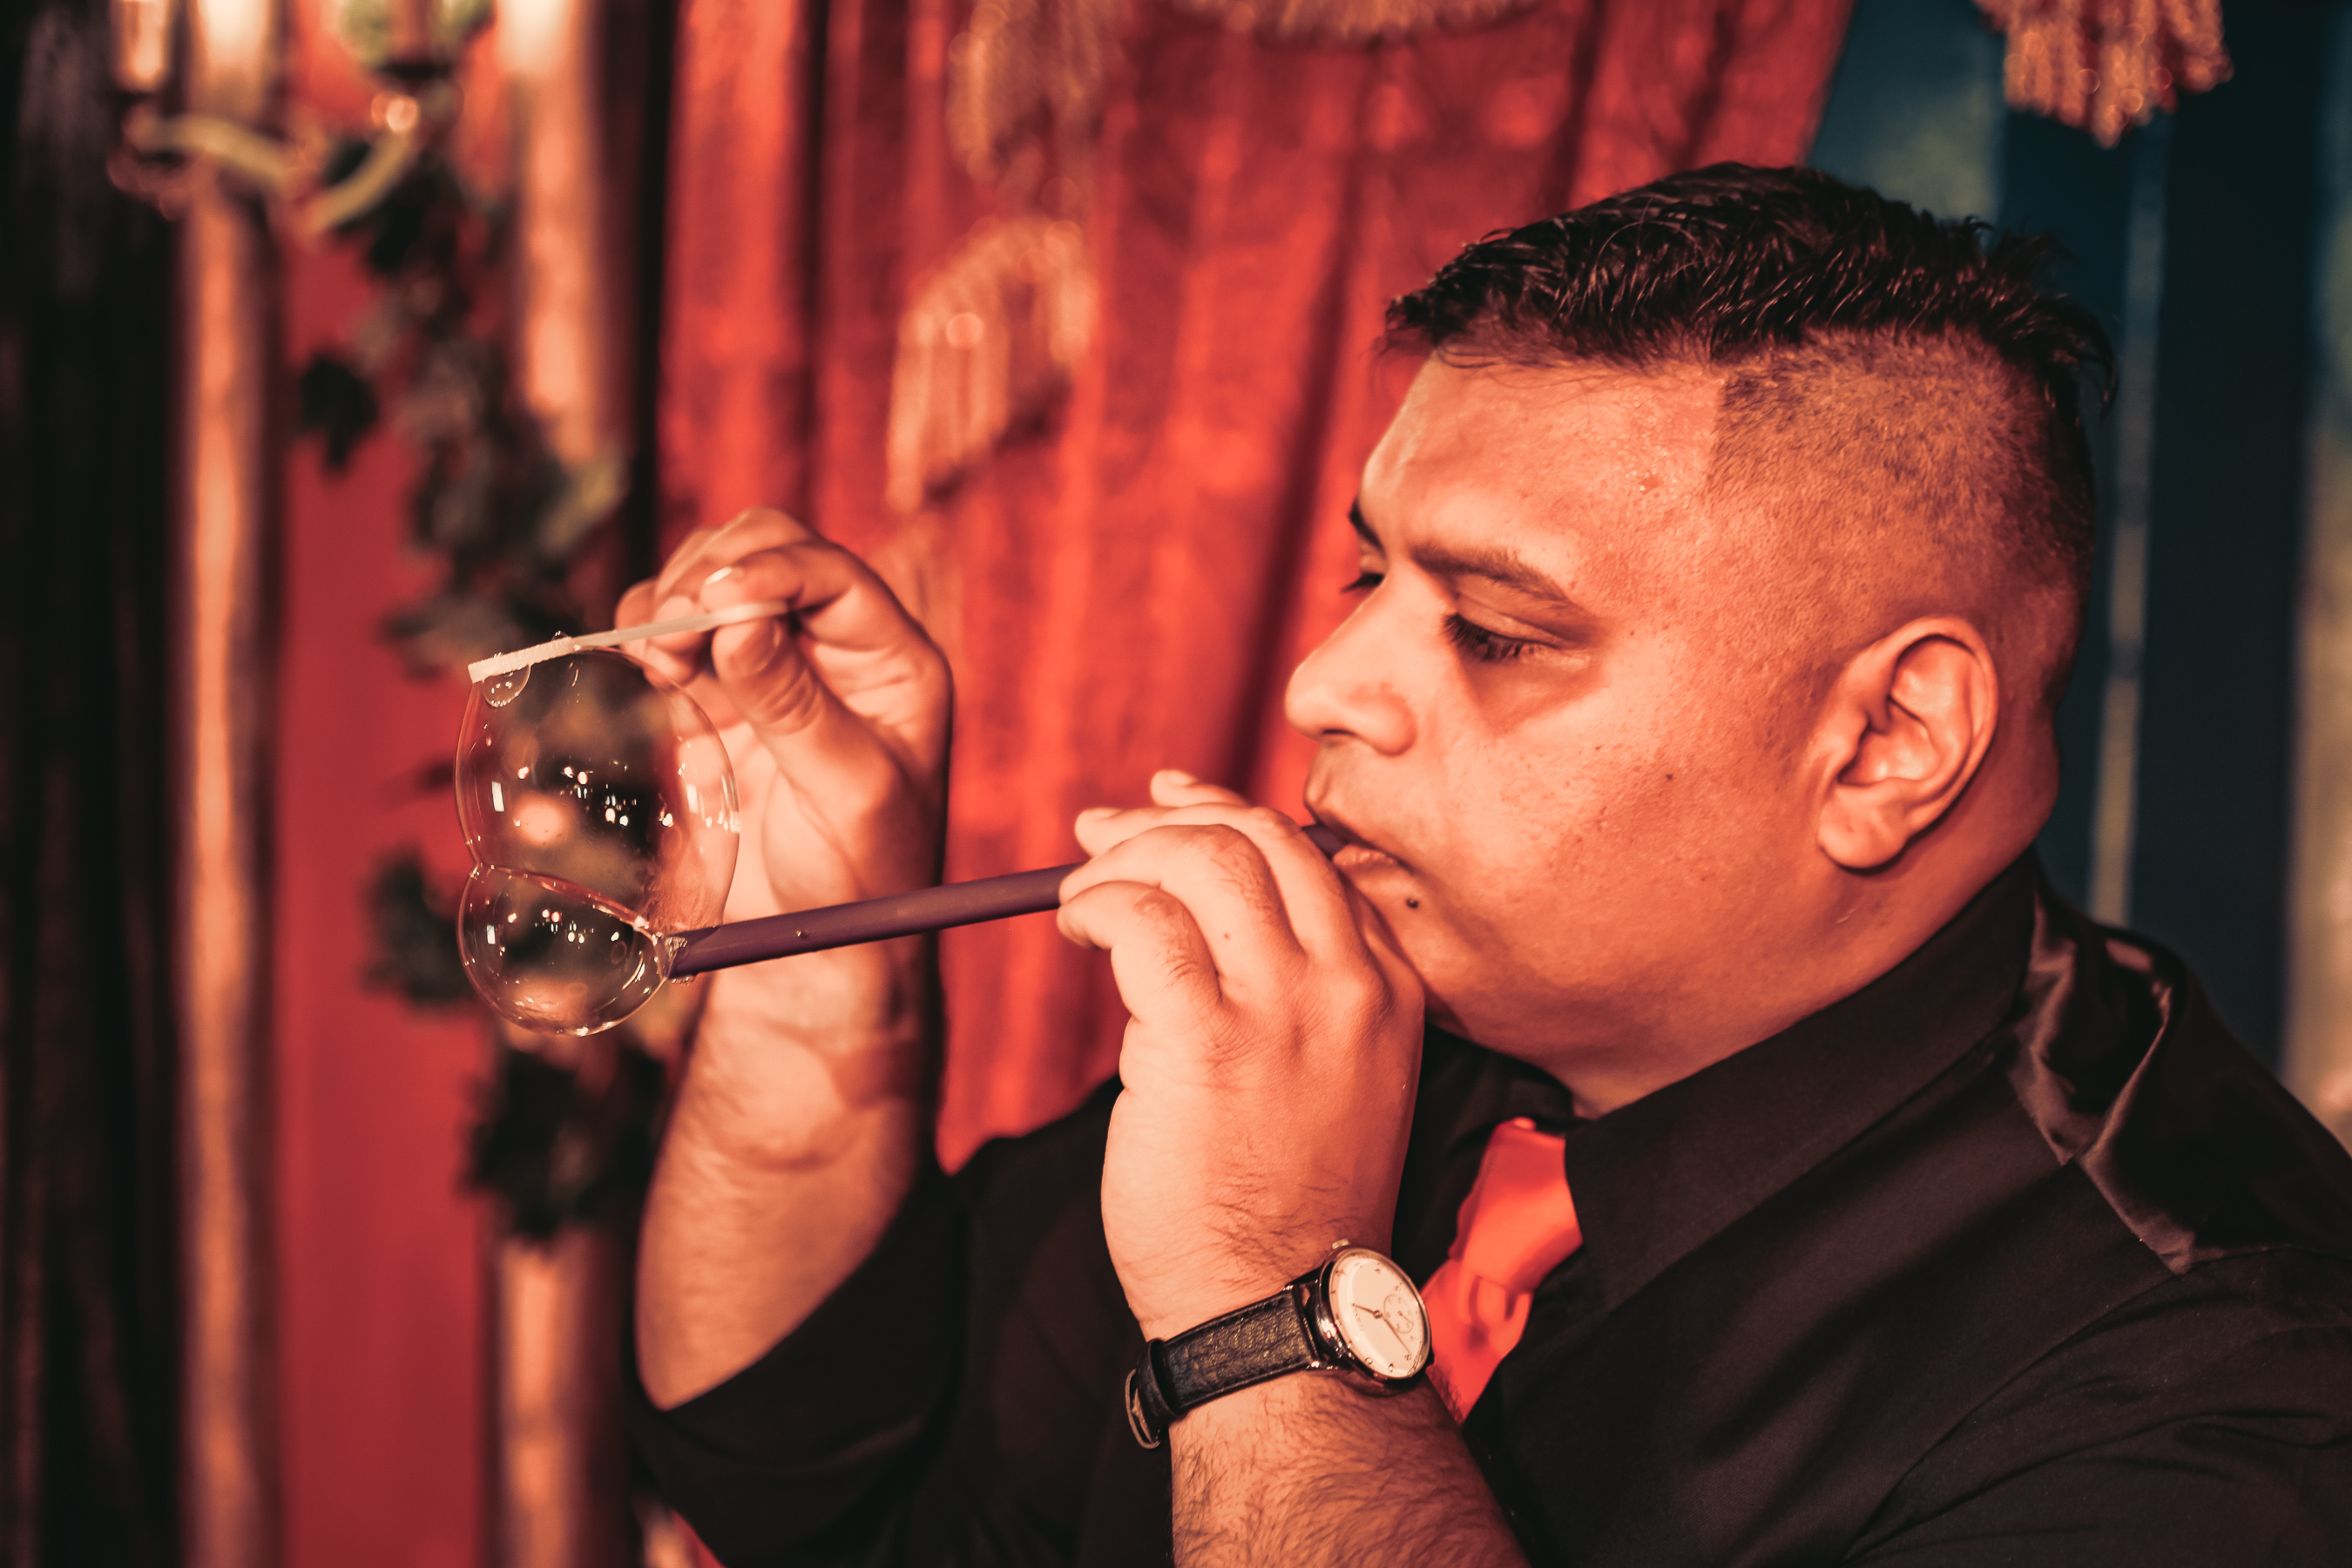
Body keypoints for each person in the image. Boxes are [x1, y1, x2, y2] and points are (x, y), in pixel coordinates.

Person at [620, 166, 2352, 1567]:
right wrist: (818, 969)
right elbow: (818, 1488)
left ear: (1889, 741)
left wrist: (1269, 1307)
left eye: (1501, 631)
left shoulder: (2229, 1395)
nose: (1324, 685)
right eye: (1372, 577)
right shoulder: (1411, 1008)